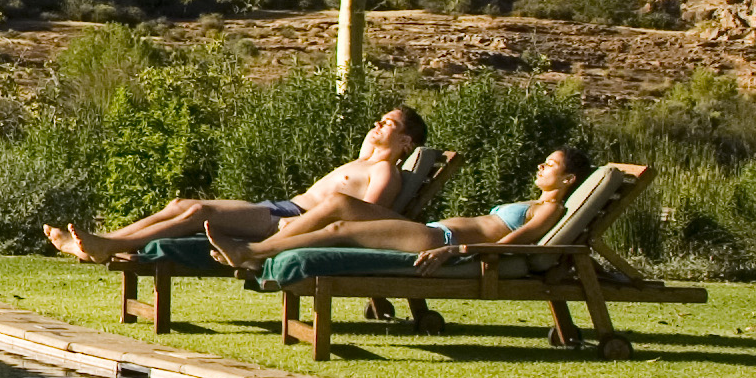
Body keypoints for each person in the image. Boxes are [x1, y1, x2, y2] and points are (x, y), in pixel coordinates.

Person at [44, 106, 430, 264]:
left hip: (289, 219)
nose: (376, 126)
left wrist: (295, 228)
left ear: (406, 142)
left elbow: (371, 219)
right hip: (281, 207)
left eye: (387, 124)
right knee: (182, 203)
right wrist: (382, 140)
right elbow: (370, 151)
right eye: (378, 120)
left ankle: (109, 245)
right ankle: (100, 241)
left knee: (199, 213)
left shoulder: (385, 173)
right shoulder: (367, 160)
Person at [216, 148, 591, 270]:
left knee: (337, 231)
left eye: (550, 165)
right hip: (430, 229)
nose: (540, 167)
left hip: (440, 239)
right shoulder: (531, 202)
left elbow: (517, 244)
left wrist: (452, 250)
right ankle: (272, 238)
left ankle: (251, 253)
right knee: (340, 203)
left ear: (568, 179)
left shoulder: (549, 211)